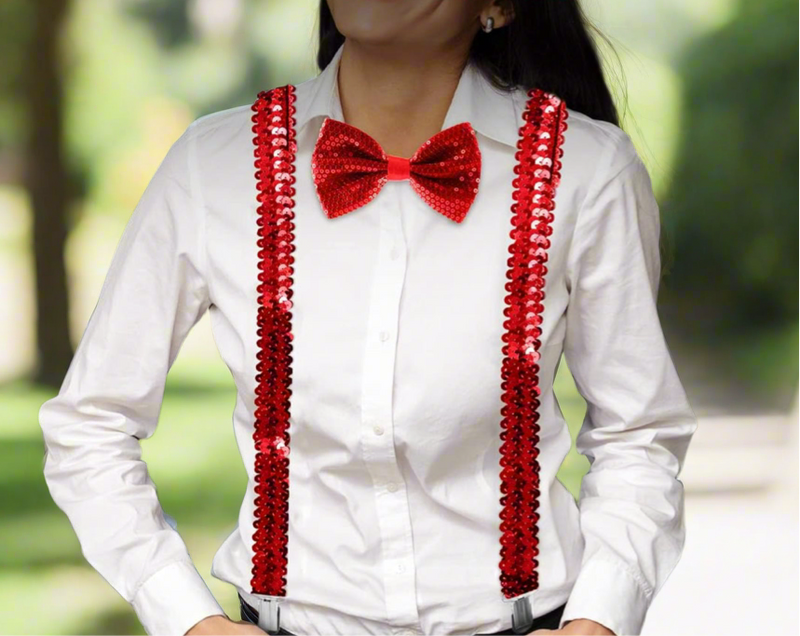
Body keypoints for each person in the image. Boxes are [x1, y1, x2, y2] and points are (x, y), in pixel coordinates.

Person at [38, 1, 698, 636]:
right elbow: (91, 421)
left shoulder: (585, 169)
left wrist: (600, 617)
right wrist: (184, 615)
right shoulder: (213, 167)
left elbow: (638, 434)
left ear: (501, 3)